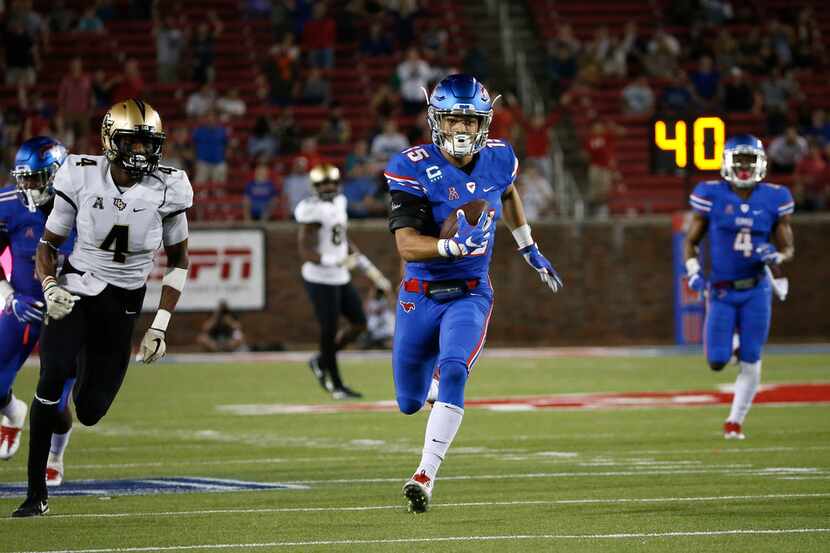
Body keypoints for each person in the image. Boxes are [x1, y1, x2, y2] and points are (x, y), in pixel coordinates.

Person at [385, 74, 563, 513]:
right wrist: (450, 245)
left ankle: (425, 473)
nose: (462, 130)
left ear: (483, 123)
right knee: (409, 402)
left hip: (469, 292)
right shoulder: (410, 165)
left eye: (470, 121)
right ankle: (426, 390)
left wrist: (528, 246)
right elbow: (407, 245)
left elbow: (507, 194)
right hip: (419, 292)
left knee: (455, 370)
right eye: (453, 121)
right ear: (436, 121)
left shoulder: (500, 157)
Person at [13, 99, 193, 517]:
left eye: (149, 144)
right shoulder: (80, 174)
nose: (142, 152)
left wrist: (160, 325)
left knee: (91, 410)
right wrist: (51, 285)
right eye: (133, 142)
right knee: (51, 376)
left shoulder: (170, 187)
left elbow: (179, 260)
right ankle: (35, 492)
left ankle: (79, 368)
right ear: (111, 140)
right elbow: (48, 245)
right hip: (76, 289)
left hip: (123, 303)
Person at [684, 135, 795, 441]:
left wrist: (776, 255)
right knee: (717, 360)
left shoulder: (774, 198)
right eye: (739, 161)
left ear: (760, 164)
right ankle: (730, 347)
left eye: (750, 161)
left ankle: (735, 421)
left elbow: (788, 247)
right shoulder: (711, 194)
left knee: (752, 356)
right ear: (727, 163)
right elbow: (691, 241)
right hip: (721, 289)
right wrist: (693, 272)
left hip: (757, 288)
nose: (744, 168)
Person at [0, 137, 76, 488]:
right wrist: (8, 294)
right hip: (25, 303)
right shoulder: (9, 204)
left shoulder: (86, 205)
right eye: (24, 178)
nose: (28, 186)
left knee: (57, 404)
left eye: (37, 178)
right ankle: (13, 411)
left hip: (69, 310)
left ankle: (55, 456)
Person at [295, 163, 391, 400]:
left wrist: (369, 269)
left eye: (331, 183)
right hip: (319, 278)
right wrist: (333, 261)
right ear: (314, 187)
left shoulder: (339, 203)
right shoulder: (311, 211)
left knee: (359, 323)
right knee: (328, 330)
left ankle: (320, 360)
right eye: (322, 184)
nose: (328, 187)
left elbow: (342, 240)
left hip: (339, 276)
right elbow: (305, 250)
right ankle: (335, 384)